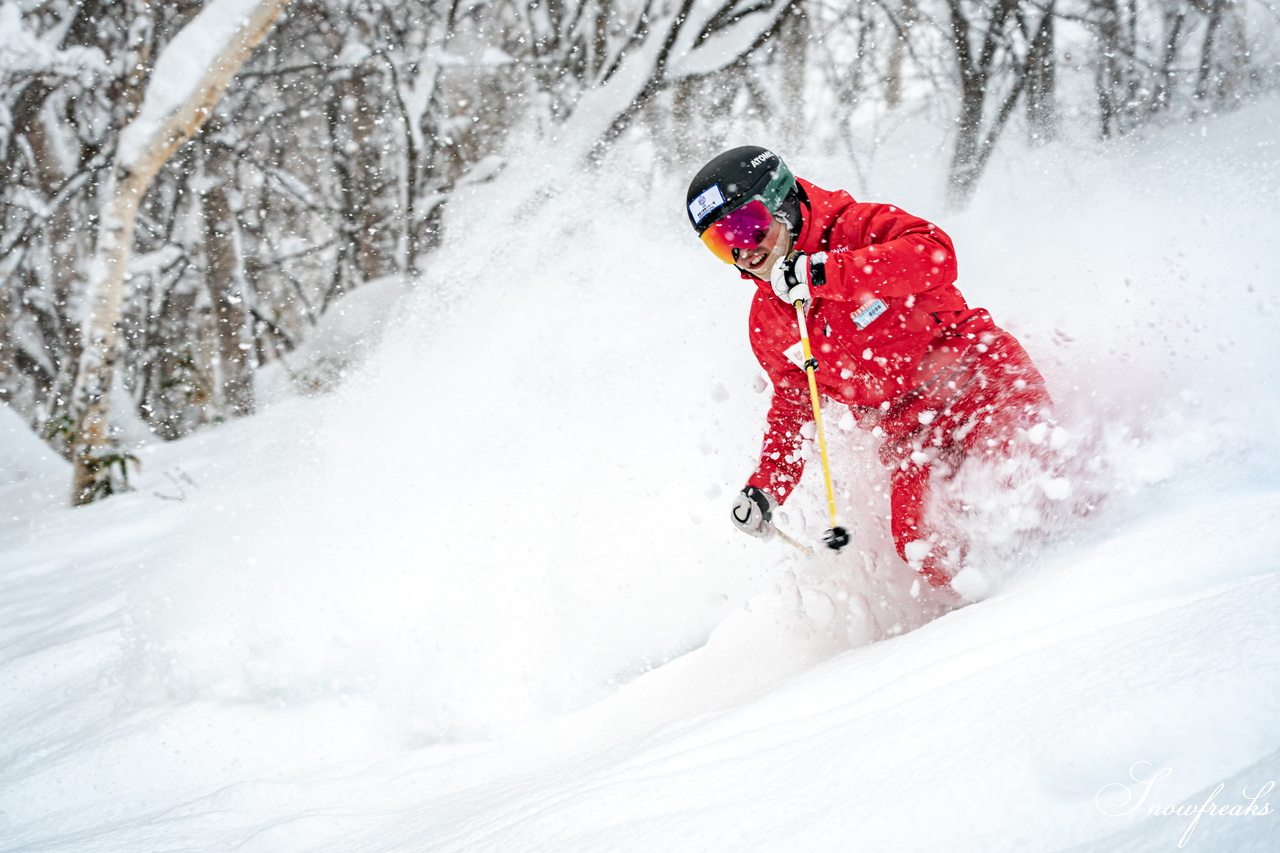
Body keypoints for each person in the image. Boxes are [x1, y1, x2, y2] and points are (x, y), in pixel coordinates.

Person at [687, 146, 1052, 587]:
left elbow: (936, 254)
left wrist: (828, 273)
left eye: (747, 226)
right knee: (922, 544)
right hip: (911, 435)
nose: (741, 252)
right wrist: (767, 487)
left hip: (979, 384)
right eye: (720, 243)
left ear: (780, 201)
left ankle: (1077, 576)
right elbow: (794, 405)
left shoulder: (857, 228)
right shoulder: (770, 321)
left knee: (1021, 481)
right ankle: (981, 625)